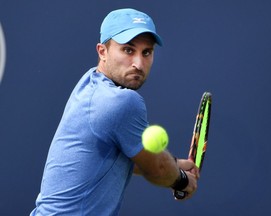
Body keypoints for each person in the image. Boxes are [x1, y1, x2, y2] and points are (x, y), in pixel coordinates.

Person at [30, 8, 199, 216]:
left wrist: (175, 164)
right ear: (102, 51)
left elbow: (132, 157)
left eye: (146, 52)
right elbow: (158, 169)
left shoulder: (90, 83)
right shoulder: (123, 102)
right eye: (128, 50)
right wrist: (181, 180)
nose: (138, 63)